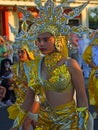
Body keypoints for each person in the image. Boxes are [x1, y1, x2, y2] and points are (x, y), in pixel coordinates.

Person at [10, 0, 92, 130]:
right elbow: (28, 101)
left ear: (58, 40)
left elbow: (82, 97)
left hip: (68, 123)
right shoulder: (35, 66)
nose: (41, 44)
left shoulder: (71, 64)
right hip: (44, 122)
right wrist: (16, 124)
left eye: (46, 40)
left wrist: (83, 123)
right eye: (38, 40)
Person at [7, 44, 40, 130]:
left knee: (29, 124)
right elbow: (15, 85)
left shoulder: (33, 67)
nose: (20, 54)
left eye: (22, 52)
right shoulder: (15, 68)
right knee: (30, 124)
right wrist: (14, 84)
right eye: (18, 52)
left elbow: (38, 86)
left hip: (34, 100)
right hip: (21, 102)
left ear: (28, 52)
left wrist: (27, 84)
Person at [83, 30, 98, 119]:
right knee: (96, 93)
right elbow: (85, 56)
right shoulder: (92, 46)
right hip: (96, 73)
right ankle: (96, 111)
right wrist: (91, 63)